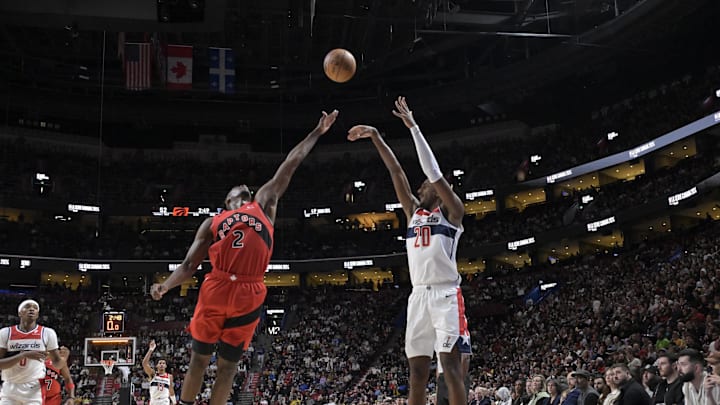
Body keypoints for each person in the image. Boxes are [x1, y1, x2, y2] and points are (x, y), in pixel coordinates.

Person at [150, 109, 339, 405]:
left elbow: (290, 163)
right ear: (227, 201)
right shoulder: (213, 221)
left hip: (249, 288)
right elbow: (188, 265)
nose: (244, 188)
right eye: (237, 190)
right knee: (198, 360)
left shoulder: (263, 203)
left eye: (246, 189)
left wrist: (317, 132)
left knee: (227, 367)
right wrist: (165, 286)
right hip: (217, 284)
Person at [348, 96, 467, 405]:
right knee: (416, 373)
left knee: (450, 369)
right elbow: (396, 171)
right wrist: (376, 136)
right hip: (418, 296)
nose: (426, 185)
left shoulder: (453, 211)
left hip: (445, 295)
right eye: (425, 184)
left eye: (431, 184)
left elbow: (435, 173)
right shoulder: (414, 212)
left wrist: (413, 127)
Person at [0, 299, 67, 405]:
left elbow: (57, 364)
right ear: (19, 313)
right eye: (27, 307)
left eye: (35, 308)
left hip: (34, 387)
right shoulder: (5, 333)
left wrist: (63, 359)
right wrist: (24, 355)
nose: (32, 309)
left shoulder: (47, 333)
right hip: (10, 386)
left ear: (38, 314)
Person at [142, 340, 176, 405]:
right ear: (156, 366)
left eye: (163, 363)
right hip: (154, 401)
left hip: (164, 401)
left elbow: (171, 389)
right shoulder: (153, 374)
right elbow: (144, 363)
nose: (162, 364)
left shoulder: (169, 376)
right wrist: (150, 350)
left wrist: (174, 402)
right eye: (160, 363)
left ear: (166, 366)